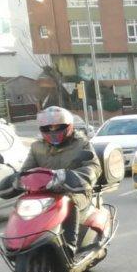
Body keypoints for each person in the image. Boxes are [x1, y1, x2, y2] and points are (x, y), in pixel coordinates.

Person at [12, 106, 101, 259]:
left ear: (68, 126)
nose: (53, 131)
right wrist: (18, 180)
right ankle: (19, 243)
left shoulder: (81, 143)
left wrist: (74, 177)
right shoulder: (36, 147)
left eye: (58, 127)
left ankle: (70, 246)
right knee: (22, 205)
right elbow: (27, 170)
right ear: (42, 129)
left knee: (69, 202)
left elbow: (94, 167)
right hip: (45, 194)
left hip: (75, 190)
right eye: (48, 128)